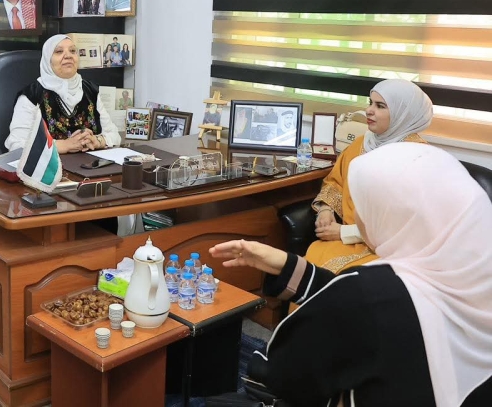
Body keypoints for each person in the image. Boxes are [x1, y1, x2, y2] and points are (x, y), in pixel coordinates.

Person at [209, 143, 492, 406]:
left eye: (365, 207)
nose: (358, 218)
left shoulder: (368, 296)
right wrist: (287, 266)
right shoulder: (470, 272)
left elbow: (283, 375)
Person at [306, 79, 433, 273]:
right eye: (370, 103)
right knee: (309, 263)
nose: (369, 110)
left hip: (391, 251)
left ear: (403, 114)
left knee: (338, 277)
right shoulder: (361, 144)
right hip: (347, 242)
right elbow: (336, 183)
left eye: (380, 106)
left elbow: (405, 225)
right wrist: (326, 210)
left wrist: (344, 232)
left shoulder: (417, 157)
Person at [5, 35, 120, 154]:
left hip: (91, 163)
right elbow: (17, 146)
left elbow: (114, 135)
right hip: (52, 165)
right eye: (59, 51)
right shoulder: (32, 95)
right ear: (48, 60)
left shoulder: (90, 90)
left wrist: (97, 141)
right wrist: (64, 146)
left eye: (73, 51)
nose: (68, 55)